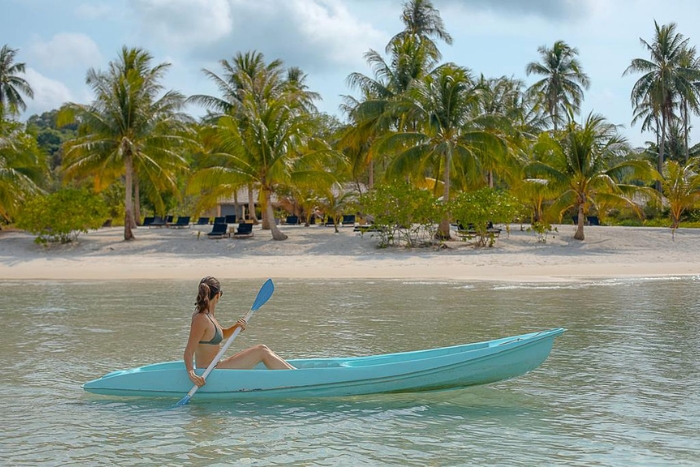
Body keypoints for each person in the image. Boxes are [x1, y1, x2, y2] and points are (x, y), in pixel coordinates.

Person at [184, 276, 295, 388]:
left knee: (263, 348)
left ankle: (295, 372)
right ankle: (296, 377)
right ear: (218, 295)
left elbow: (218, 334)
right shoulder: (201, 319)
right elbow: (189, 351)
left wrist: (235, 327)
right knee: (261, 351)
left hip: (218, 366)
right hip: (209, 373)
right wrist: (191, 373)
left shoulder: (209, 315)